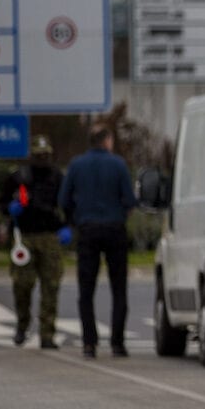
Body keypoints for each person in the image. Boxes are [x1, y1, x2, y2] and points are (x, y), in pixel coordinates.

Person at [58, 124, 137, 359]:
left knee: (86, 290)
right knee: (119, 288)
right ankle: (117, 343)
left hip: (87, 230)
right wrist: (121, 214)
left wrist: (75, 220)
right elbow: (130, 200)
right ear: (107, 141)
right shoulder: (118, 164)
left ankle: (89, 343)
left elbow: (64, 199)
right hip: (114, 230)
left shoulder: (76, 165)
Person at [0, 135, 70, 349]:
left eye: (46, 155)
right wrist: (10, 209)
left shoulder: (57, 177)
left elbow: (67, 205)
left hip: (50, 235)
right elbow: (1, 202)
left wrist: (67, 226)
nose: (42, 159)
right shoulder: (18, 176)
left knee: (51, 286)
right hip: (24, 236)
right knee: (22, 284)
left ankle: (47, 334)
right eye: (39, 155)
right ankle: (22, 325)